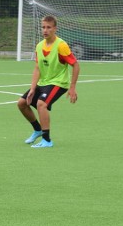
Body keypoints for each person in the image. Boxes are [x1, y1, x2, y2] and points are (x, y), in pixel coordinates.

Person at [17, 15, 80, 148]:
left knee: (41, 104)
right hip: (43, 83)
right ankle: (37, 130)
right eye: (43, 27)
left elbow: (75, 65)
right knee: (22, 103)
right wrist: (33, 88)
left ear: (55, 29)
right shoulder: (39, 46)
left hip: (58, 83)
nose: (45, 30)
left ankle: (47, 140)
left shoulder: (61, 46)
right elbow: (37, 68)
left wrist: (72, 87)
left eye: (49, 27)